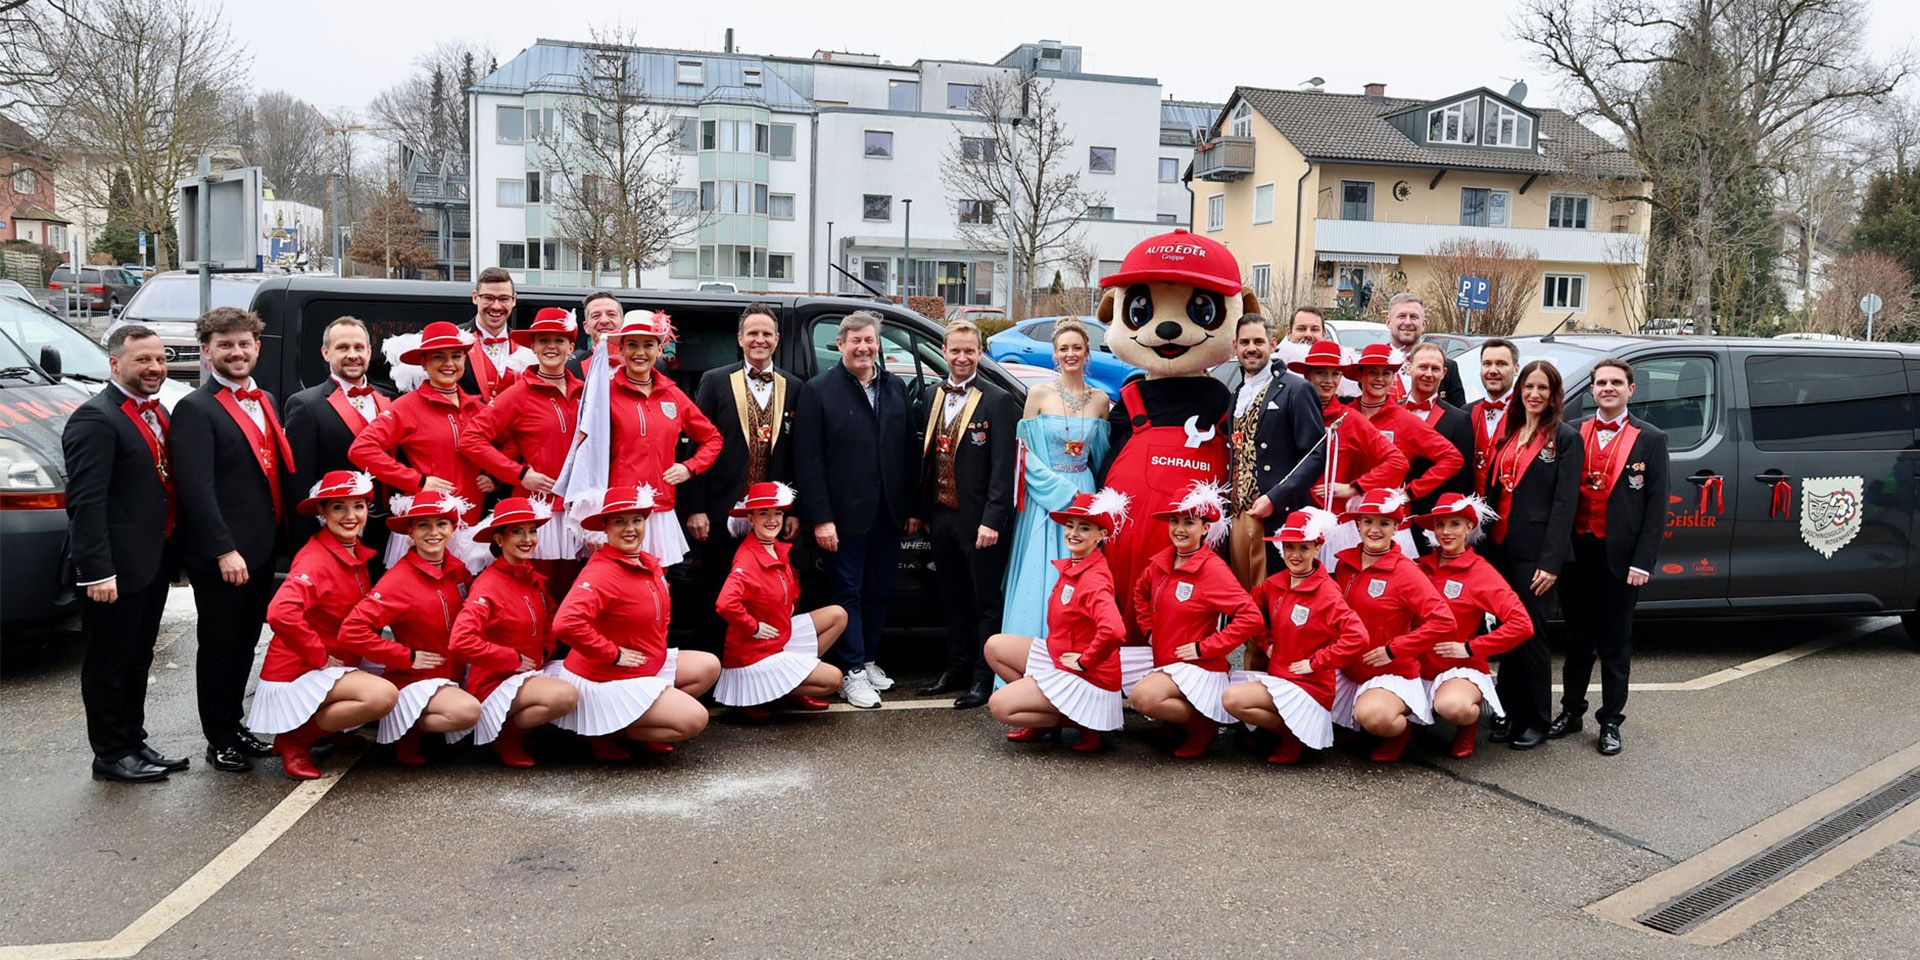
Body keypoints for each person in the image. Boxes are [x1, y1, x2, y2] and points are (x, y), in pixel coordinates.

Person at [171, 306, 294, 773]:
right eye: (225, 345)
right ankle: (218, 735)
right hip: (226, 554)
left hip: (260, 548)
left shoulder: (263, 400)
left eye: (244, 344)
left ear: (257, 348)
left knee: (244, 643)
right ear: (207, 352)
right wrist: (224, 549)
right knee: (219, 645)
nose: (236, 352)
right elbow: (196, 491)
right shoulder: (195, 409)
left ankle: (235, 723)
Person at [62, 324, 184, 783]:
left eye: (159, 359)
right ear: (115, 365)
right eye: (143, 360)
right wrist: (96, 570)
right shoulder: (96, 419)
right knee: (109, 663)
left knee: (137, 657)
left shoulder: (156, 413)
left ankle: (133, 741)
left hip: (149, 562)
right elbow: (86, 502)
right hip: (112, 569)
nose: (154, 368)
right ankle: (110, 754)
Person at [792, 311, 920, 709]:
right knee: (846, 591)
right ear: (841, 344)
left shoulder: (895, 387)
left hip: (888, 512)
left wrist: (913, 506)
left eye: (870, 340)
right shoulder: (819, 390)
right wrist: (821, 517)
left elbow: (909, 453)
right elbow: (807, 459)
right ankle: (851, 672)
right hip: (843, 515)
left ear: (877, 344)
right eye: (855, 341)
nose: (863, 347)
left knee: (880, 590)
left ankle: (867, 658)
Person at [245, 471, 400, 780]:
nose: (350, 515)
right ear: (322, 512)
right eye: (338, 507)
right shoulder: (316, 559)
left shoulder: (350, 551)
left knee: (403, 671)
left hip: (335, 662)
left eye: (358, 506)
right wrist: (317, 654)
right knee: (382, 696)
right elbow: (280, 611)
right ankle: (296, 740)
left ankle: (325, 731)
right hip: (300, 669)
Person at [549, 485, 723, 757]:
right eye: (619, 522)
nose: (630, 528)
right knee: (694, 720)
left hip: (642, 666)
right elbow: (565, 623)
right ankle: (605, 730)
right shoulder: (601, 572)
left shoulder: (645, 562)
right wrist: (613, 654)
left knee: (709, 665)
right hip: (605, 677)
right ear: (605, 527)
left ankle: (630, 724)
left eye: (636, 521)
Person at [1552, 359, 1670, 756]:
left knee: (1615, 643)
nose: (1608, 388)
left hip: (1620, 556)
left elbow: (1656, 507)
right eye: (1601, 382)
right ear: (1592, 389)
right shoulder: (1574, 432)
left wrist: (1643, 562)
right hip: (1576, 552)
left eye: (1616, 382)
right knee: (1577, 639)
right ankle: (1571, 712)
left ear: (1630, 389)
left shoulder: (1650, 438)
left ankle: (1611, 722)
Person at [684, 303, 803, 657]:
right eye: (752, 333)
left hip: (771, 516)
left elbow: (797, 452)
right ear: (740, 338)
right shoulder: (715, 381)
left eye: (767, 333)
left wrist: (795, 509)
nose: (759, 339)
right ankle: (712, 672)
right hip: (722, 509)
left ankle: (758, 670)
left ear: (777, 339)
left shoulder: (793, 386)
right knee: (717, 593)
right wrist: (696, 508)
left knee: (765, 597)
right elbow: (697, 445)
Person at [912, 319, 1018, 709]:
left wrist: (992, 520)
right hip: (941, 515)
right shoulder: (930, 394)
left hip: (980, 521)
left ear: (980, 352)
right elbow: (924, 456)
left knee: (984, 601)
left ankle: (982, 675)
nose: (961, 357)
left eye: (969, 350)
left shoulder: (997, 400)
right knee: (951, 597)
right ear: (944, 351)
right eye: (955, 350)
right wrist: (922, 510)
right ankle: (954, 668)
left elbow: (1003, 468)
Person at [336, 489, 482, 765]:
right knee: (466, 713)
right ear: (410, 533)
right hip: (416, 679)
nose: (434, 533)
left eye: (441, 524)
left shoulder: (458, 569)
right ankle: (406, 727)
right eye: (423, 525)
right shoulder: (397, 580)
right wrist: (407, 657)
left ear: (452, 529)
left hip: (455, 671)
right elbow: (352, 630)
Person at [1481, 359, 1582, 750]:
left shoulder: (1565, 438)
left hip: (1536, 554)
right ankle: (1508, 713)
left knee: (1532, 636)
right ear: (1519, 391)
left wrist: (1551, 562)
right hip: (1502, 548)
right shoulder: (1510, 432)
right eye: (1528, 388)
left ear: (1553, 394)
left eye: (1542, 388)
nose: (1534, 395)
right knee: (1507, 634)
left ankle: (1537, 719)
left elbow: (1564, 504)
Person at [982, 488, 1130, 752]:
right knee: (994, 646)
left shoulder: (1094, 578)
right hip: (1060, 657)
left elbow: (1115, 630)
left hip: (1087, 676)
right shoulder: (1076, 564)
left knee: (1000, 705)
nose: (1073, 533)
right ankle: (1045, 714)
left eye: (1084, 528)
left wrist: (1086, 661)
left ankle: (1082, 721)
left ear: (1101, 536)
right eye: (1070, 525)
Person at [1221, 507, 1370, 764]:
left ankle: (1293, 735)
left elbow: (1357, 636)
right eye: (1289, 547)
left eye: (1303, 548)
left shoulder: (1327, 592)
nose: (1295, 555)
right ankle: (1288, 732)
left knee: (1234, 699)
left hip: (1310, 686)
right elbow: (1248, 612)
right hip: (1280, 676)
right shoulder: (1275, 583)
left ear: (1317, 547)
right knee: (1229, 693)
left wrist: (1316, 662)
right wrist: (1265, 642)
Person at [1126, 482, 1263, 759]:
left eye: (1188, 522)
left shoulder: (1212, 570)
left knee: (1143, 697)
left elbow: (1251, 618)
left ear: (1204, 527)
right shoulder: (1162, 561)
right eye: (1174, 521)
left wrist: (1206, 647)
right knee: (1107, 671)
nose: (1179, 529)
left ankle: (1202, 726)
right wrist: (1149, 629)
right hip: (1164, 658)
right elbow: (1140, 592)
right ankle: (1176, 723)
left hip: (1198, 667)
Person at [459, 307, 585, 602]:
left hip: (575, 508)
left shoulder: (586, 392)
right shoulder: (518, 393)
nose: (551, 346)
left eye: (559, 339)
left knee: (569, 592)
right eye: (543, 340)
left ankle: (560, 649)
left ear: (570, 346)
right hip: (535, 511)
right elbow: (472, 439)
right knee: (533, 590)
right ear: (533, 347)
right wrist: (519, 474)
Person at [448, 497, 580, 767]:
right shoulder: (488, 584)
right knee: (564, 696)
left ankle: (524, 727)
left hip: (530, 672)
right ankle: (505, 736)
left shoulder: (530, 576)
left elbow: (550, 618)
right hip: (495, 682)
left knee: (583, 683)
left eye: (532, 531)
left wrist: (544, 649)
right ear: (498, 539)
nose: (528, 539)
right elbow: (461, 640)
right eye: (517, 532)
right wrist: (512, 659)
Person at [350, 320, 493, 569]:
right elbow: (362, 449)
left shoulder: (479, 408)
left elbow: (507, 447)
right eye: (439, 357)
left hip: (470, 529)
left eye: (456, 356)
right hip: (428, 528)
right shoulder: (407, 407)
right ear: (424, 363)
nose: (449, 364)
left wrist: (494, 477)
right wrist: (418, 481)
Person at [1000, 318, 1110, 638]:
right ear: (1054, 354)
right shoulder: (1038, 394)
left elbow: (1101, 457)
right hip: (1045, 496)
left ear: (1087, 352)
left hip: (1083, 494)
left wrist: (1097, 499)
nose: (1070, 354)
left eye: (1077, 347)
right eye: (1064, 349)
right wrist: (1058, 490)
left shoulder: (1100, 400)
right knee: (1040, 573)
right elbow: (1024, 454)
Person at [1329, 488, 1457, 762]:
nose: (1374, 529)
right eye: (1368, 521)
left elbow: (1443, 621)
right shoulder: (1344, 563)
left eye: (1384, 523)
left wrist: (1394, 649)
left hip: (1390, 671)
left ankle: (1400, 729)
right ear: (1357, 524)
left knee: (1375, 717)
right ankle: (1354, 719)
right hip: (1348, 667)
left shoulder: (1406, 571)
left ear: (1397, 527)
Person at [1411, 494, 1533, 759]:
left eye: (1455, 524)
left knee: (1454, 707)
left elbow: (1522, 624)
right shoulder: (1417, 567)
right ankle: (1411, 723)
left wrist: (1470, 648)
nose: (1445, 532)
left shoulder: (1481, 572)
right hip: (1414, 665)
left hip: (1457, 667)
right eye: (1440, 524)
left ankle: (1467, 725)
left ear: (1469, 527)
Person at [712, 482, 847, 718]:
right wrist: (753, 627)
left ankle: (787, 687)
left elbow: (788, 588)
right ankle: (765, 693)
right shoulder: (747, 558)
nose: (772, 520)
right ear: (750, 519)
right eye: (763, 513)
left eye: (778, 513)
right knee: (833, 679)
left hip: (778, 636)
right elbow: (725, 603)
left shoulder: (774, 547)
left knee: (838, 615)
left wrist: (792, 603)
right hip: (755, 652)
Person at [602, 309, 722, 568]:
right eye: (632, 345)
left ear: (659, 350)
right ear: (621, 350)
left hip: (661, 508)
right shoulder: (605, 393)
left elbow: (712, 438)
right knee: (618, 584)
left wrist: (689, 468)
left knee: (657, 582)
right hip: (619, 509)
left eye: (648, 345)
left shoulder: (673, 395)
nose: (640, 353)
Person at [1221, 314, 1326, 591]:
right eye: (1244, 342)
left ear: (1273, 344)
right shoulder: (1237, 393)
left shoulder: (1296, 389)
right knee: (1244, 598)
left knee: (1274, 596)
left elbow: (1315, 454)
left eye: (1258, 341)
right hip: (1238, 513)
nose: (1251, 348)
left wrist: (1275, 497)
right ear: (1235, 347)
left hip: (1278, 513)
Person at [284, 316, 396, 565]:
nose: (352, 355)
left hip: (386, 532)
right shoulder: (305, 405)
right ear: (326, 353)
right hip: (335, 533)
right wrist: (305, 546)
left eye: (359, 347)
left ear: (369, 351)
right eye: (342, 348)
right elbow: (299, 483)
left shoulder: (391, 399)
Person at [1286, 339, 1408, 565]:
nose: (1329, 381)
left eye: (1335, 374)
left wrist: (1354, 488)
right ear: (1307, 375)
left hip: (1333, 528)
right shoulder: (1288, 412)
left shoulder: (1350, 420)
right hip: (1290, 523)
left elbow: (1397, 462)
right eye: (1321, 373)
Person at [1344, 342, 1463, 555]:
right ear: (1360, 375)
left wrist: (1411, 491)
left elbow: (1452, 458)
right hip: (1346, 522)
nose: (1379, 379)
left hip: (1389, 523)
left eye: (1386, 373)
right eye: (1373, 372)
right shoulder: (1345, 415)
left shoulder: (1404, 419)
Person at [1401, 342, 1477, 525]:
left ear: (1443, 374)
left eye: (1435, 369)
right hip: (1391, 519)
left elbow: (1463, 482)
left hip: (1434, 521)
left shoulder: (1459, 420)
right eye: (1422, 367)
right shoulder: (1392, 411)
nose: (1428, 374)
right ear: (1409, 368)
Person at [1382, 294, 1465, 405]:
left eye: (1414, 317)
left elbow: (1458, 417)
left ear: (1424, 324)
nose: (1407, 322)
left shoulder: (1447, 367)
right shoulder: (1372, 363)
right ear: (1388, 322)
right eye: (1401, 316)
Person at [459, 266, 524, 402]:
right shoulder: (455, 339)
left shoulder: (526, 347)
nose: (496, 306)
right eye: (488, 298)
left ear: (514, 300)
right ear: (475, 297)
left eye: (504, 299)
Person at [1466, 338, 1519, 494]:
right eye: (1487, 364)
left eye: (1501, 364)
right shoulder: (1466, 413)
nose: (1493, 370)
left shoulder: (1527, 415)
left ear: (1516, 369)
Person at [566, 290, 624, 379]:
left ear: (623, 323)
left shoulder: (644, 361)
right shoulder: (570, 366)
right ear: (586, 327)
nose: (604, 321)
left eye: (611, 314)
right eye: (596, 316)